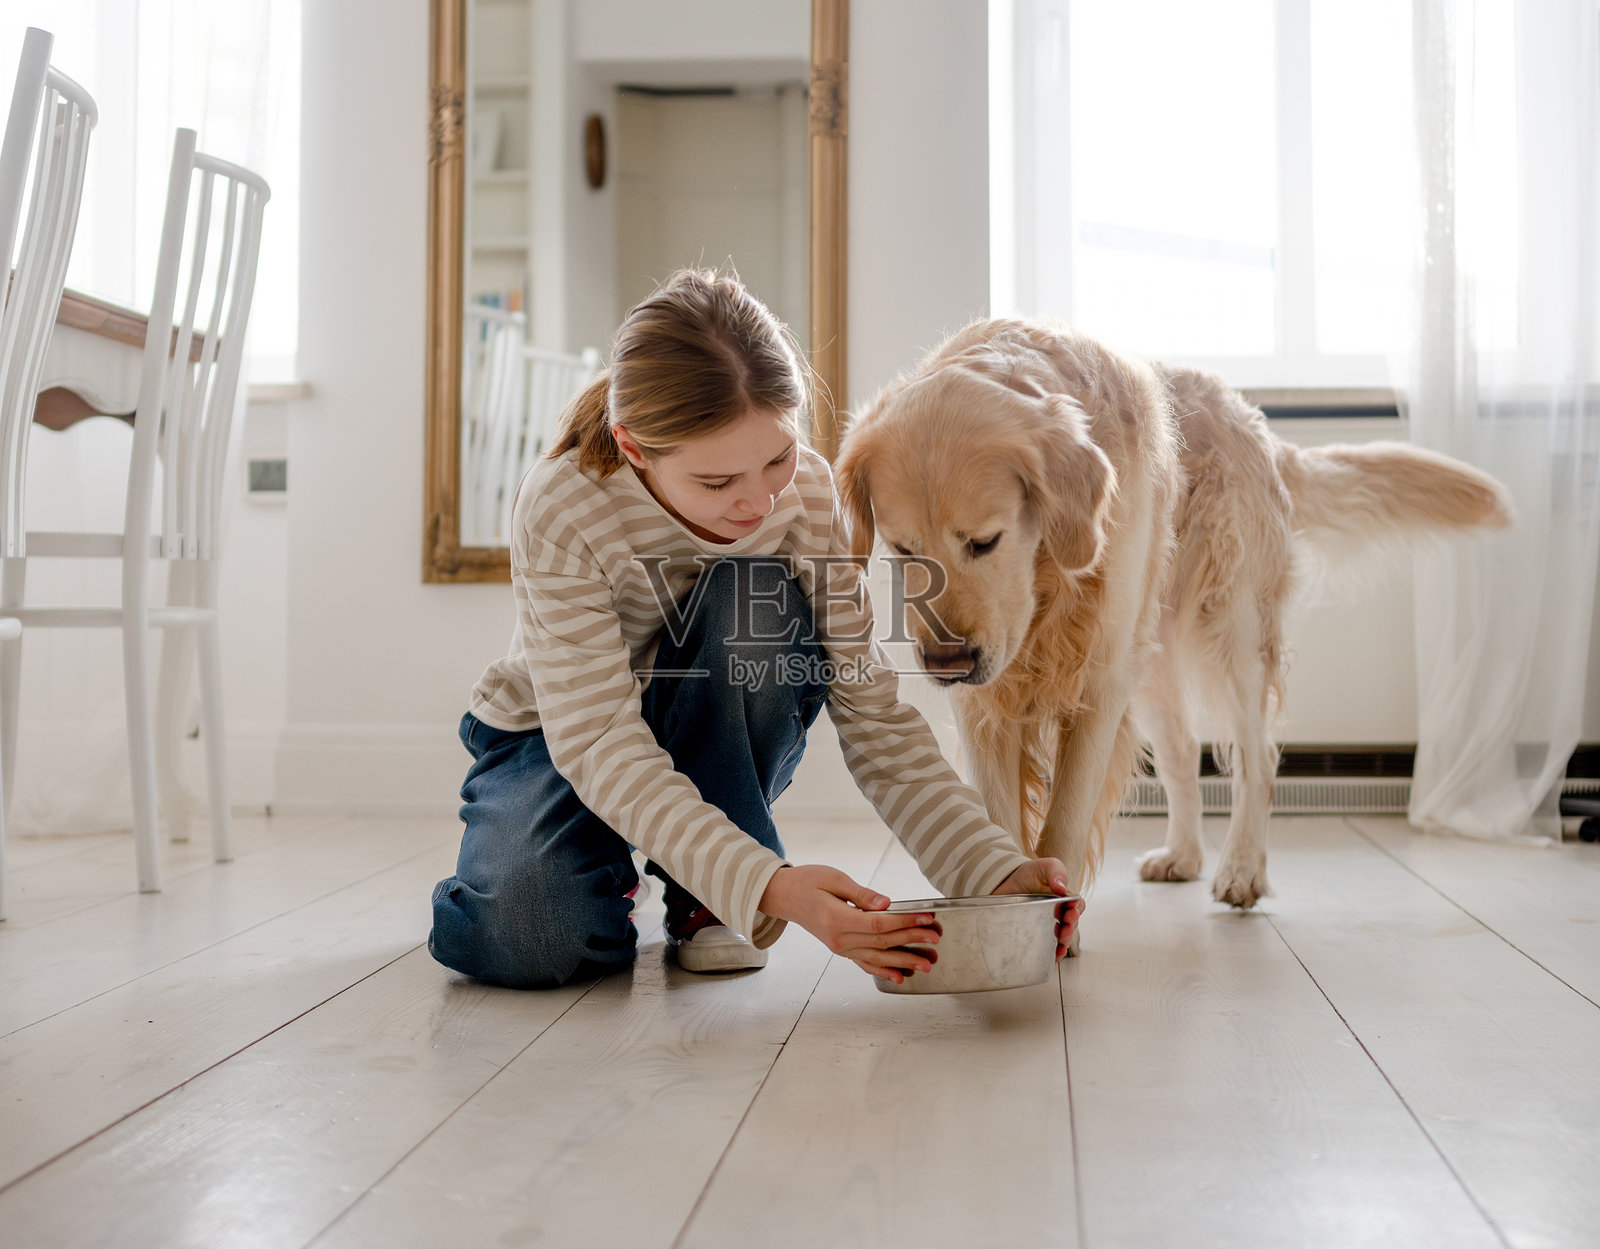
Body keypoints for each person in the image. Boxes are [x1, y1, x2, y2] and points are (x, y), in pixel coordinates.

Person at [428, 268, 1084, 990]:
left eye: (776, 457)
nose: (755, 500)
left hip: (712, 736)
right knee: (527, 939)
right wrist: (774, 886)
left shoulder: (803, 493)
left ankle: (706, 885)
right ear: (636, 448)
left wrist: (991, 867)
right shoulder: (563, 504)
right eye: (716, 484)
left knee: (753, 598)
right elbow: (599, 741)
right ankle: (624, 859)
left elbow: (875, 719)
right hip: (561, 733)